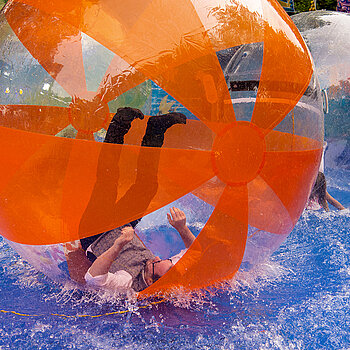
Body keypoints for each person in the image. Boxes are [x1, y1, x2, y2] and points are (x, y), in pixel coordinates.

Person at [85, 207, 195, 292]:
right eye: (162, 259)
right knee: (149, 187)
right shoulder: (169, 271)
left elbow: (93, 278)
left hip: (96, 234)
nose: (156, 257)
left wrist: (117, 246)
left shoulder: (127, 281)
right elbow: (194, 251)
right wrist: (182, 228)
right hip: (123, 225)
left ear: (149, 281)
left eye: (156, 263)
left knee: (106, 192)